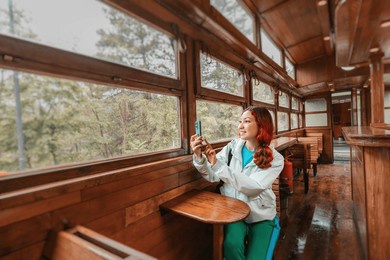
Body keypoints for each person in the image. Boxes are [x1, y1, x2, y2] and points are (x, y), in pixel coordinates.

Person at [190, 106, 284, 260]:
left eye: (246, 121)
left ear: (262, 126)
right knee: (231, 247)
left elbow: (253, 188)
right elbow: (214, 175)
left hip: (261, 216)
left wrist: (217, 165)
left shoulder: (276, 158)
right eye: (240, 121)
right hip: (234, 212)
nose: (240, 126)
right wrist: (199, 157)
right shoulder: (233, 147)